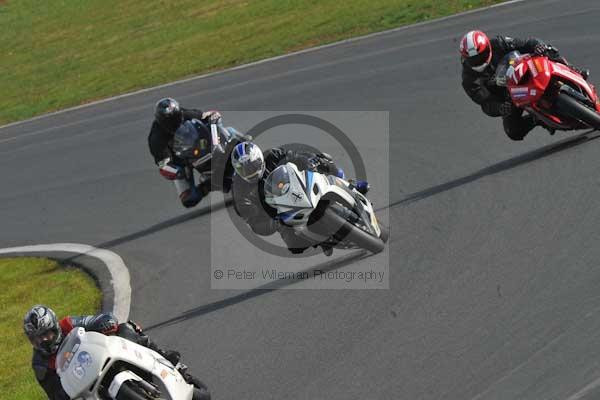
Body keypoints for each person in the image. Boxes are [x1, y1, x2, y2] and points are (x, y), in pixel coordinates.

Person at [23, 305, 210, 400]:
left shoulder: (68, 324)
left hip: (104, 358)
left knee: (126, 327)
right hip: (87, 388)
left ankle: (165, 358)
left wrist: (106, 322)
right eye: (37, 338)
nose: (44, 340)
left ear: (55, 326)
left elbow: (96, 320)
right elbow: (54, 394)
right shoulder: (39, 364)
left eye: (46, 333)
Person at [230, 142, 369, 256]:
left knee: (325, 161)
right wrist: (272, 223)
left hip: (300, 187)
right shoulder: (239, 192)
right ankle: (322, 241)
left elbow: (295, 156)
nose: (251, 172)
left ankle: (351, 185)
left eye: (253, 166)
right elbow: (253, 222)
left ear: (259, 158)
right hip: (280, 213)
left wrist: (311, 162)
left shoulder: (272, 155)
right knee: (295, 246)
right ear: (237, 171)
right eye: (244, 170)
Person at [460, 30, 589, 140]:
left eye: (481, 55)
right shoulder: (469, 80)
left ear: (488, 47)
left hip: (523, 70)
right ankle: (538, 119)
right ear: (466, 59)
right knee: (513, 131)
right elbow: (486, 103)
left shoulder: (498, 43)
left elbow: (527, 43)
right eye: (473, 59)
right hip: (509, 97)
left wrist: (538, 46)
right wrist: (500, 108)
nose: (479, 61)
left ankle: (572, 69)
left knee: (548, 51)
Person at [148, 97, 223, 208]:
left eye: (176, 117)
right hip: (181, 161)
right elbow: (163, 165)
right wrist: (176, 172)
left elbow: (205, 116)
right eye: (170, 120)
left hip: (200, 145)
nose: (174, 122)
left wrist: (213, 118)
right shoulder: (156, 138)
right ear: (162, 122)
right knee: (189, 199)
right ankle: (207, 185)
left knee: (220, 127)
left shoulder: (183, 113)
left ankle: (241, 144)